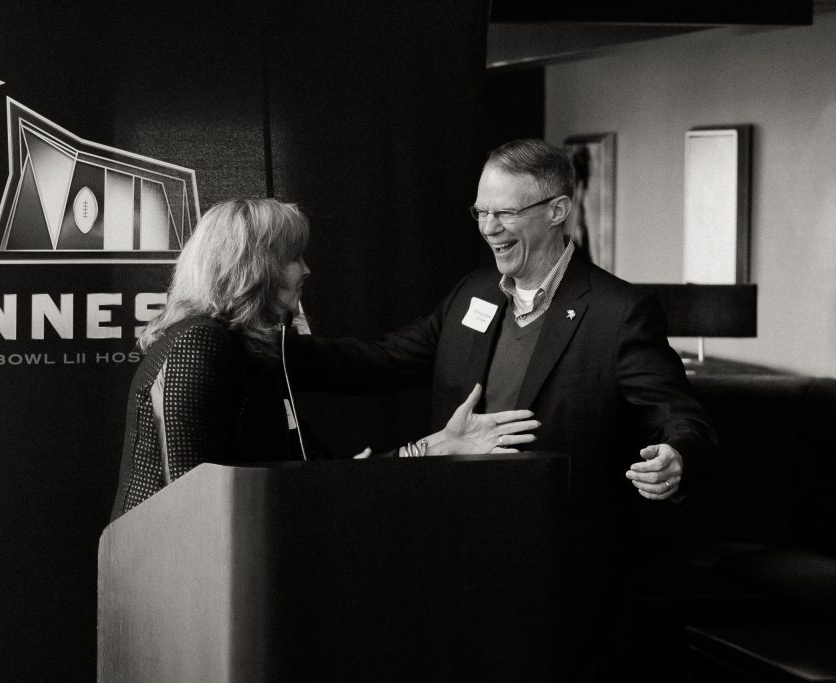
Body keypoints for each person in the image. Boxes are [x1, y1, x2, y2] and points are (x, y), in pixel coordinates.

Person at [286, 139, 717, 680]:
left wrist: (677, 458)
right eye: (481, 212)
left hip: (561, 574)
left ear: (557, 210)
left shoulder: (619, 313)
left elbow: (682, 418)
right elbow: (383, 360)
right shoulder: (474, 293)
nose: (489, 228)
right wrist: (272, 349)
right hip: (455, 556)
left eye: (505, 213)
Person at [109, 198, 541, 522]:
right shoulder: (198, 344)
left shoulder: (260, 348)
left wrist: (436, 447)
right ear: (255, 267)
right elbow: (186, 503)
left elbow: (314, 474)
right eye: (293, 257)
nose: (307, 270)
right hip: (170, 585)